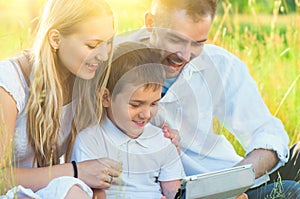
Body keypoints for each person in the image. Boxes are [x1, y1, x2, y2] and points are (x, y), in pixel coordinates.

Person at [116, 0, 300, 198]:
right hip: (176, 191)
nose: (185, 56)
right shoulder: (112, 61)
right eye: (175, 40)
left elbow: (266, 131)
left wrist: (231, 183)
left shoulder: (220, 64)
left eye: (198, 43)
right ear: (151, 22)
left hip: (232, 181)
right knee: (292, 191)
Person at [0, 0, 122, 198]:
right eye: (93, 45)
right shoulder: (9, 83)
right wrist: (76, 171)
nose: (104, 55)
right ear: (55, 39)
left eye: (108, 43)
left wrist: (166, 136)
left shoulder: (85, 82)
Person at [71, 41, 185, 199]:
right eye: (135, 104)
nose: (145, 114)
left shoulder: (162, 140)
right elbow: (94, 193)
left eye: (154, 103)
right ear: (106, 98)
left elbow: (174, 190)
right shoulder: (91, 141)